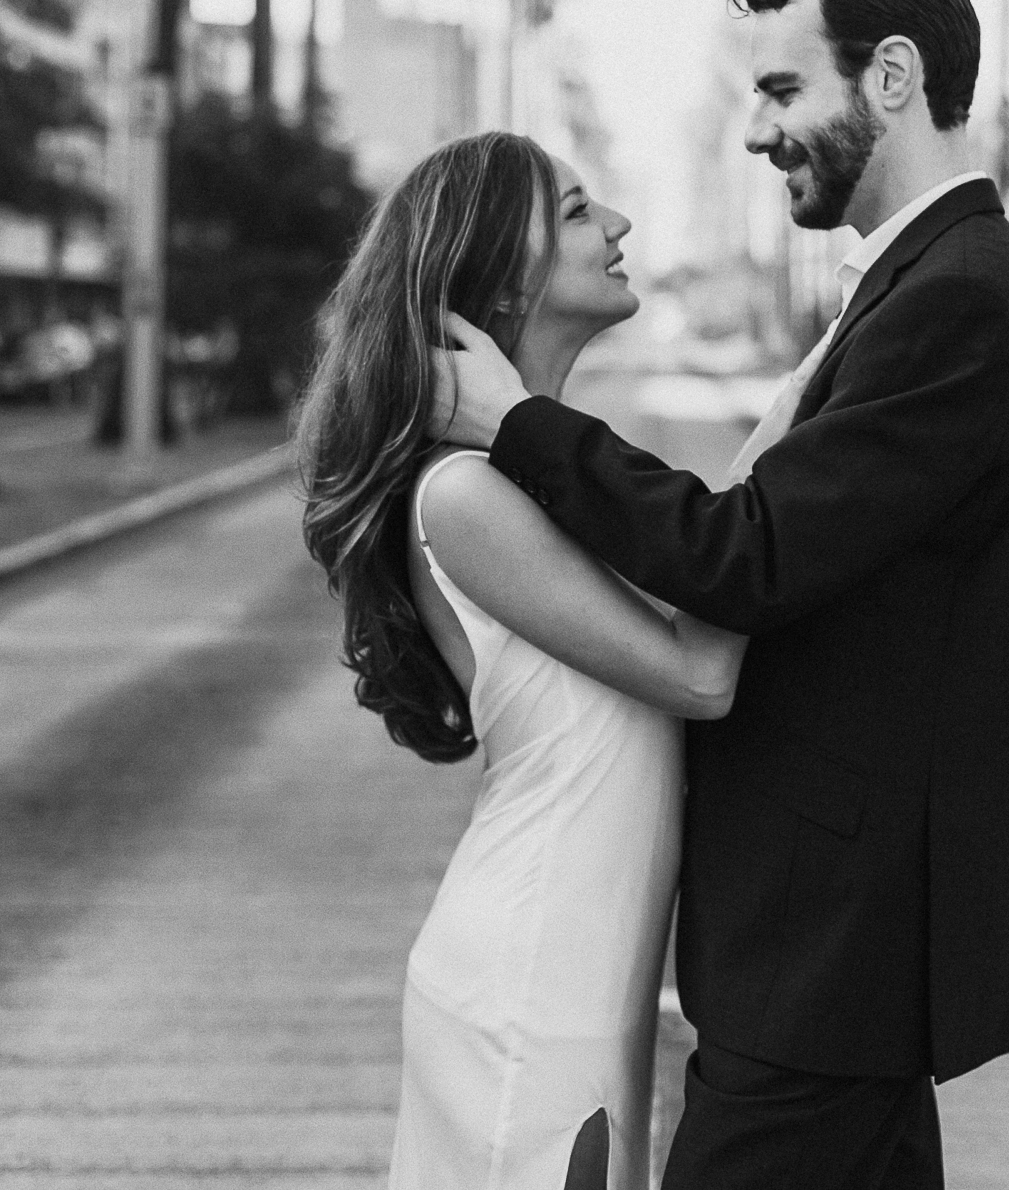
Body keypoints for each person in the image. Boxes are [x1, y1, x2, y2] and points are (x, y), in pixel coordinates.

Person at [432, 0, 1009, 1189]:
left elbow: (749, 559)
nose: (755, 130)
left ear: (887, 78)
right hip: (828, 957)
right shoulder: (920, 289)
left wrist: (517, 422)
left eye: (784, 88)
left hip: (827, 960)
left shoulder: (958, 298)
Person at [297, 131, 747, 1190]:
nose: (620, 226)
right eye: (582, 210)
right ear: (505, 270)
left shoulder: (532, 472)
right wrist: (786, 434)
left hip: (584, 975)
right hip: (532, 986)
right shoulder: (463, 496)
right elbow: (698, 675)